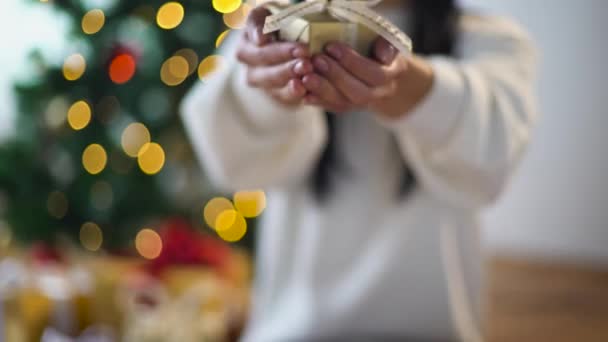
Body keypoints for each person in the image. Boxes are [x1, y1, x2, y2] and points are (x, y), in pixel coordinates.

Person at [181, 0, 538, 340]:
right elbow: (232, 167)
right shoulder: (267, 33)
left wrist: (405, 85)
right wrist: (270, 92)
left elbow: (492, 162)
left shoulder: (489, 39)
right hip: (295, 332)